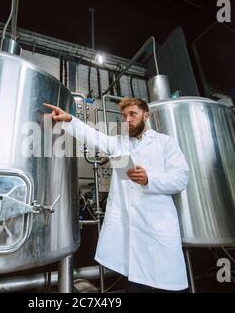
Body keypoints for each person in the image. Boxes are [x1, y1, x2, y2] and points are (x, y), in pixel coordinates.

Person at [43, 98, 190, 293]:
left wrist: (149, 179)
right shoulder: (119, 144)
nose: (127, 120)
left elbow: (181, 178)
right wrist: (69, 119)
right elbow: (93, 136)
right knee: (135, 283)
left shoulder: (165, 143)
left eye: (133, 114)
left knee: (168, 285)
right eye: (124, 116)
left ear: (146, 115)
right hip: (132, 236)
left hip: (158, 229)